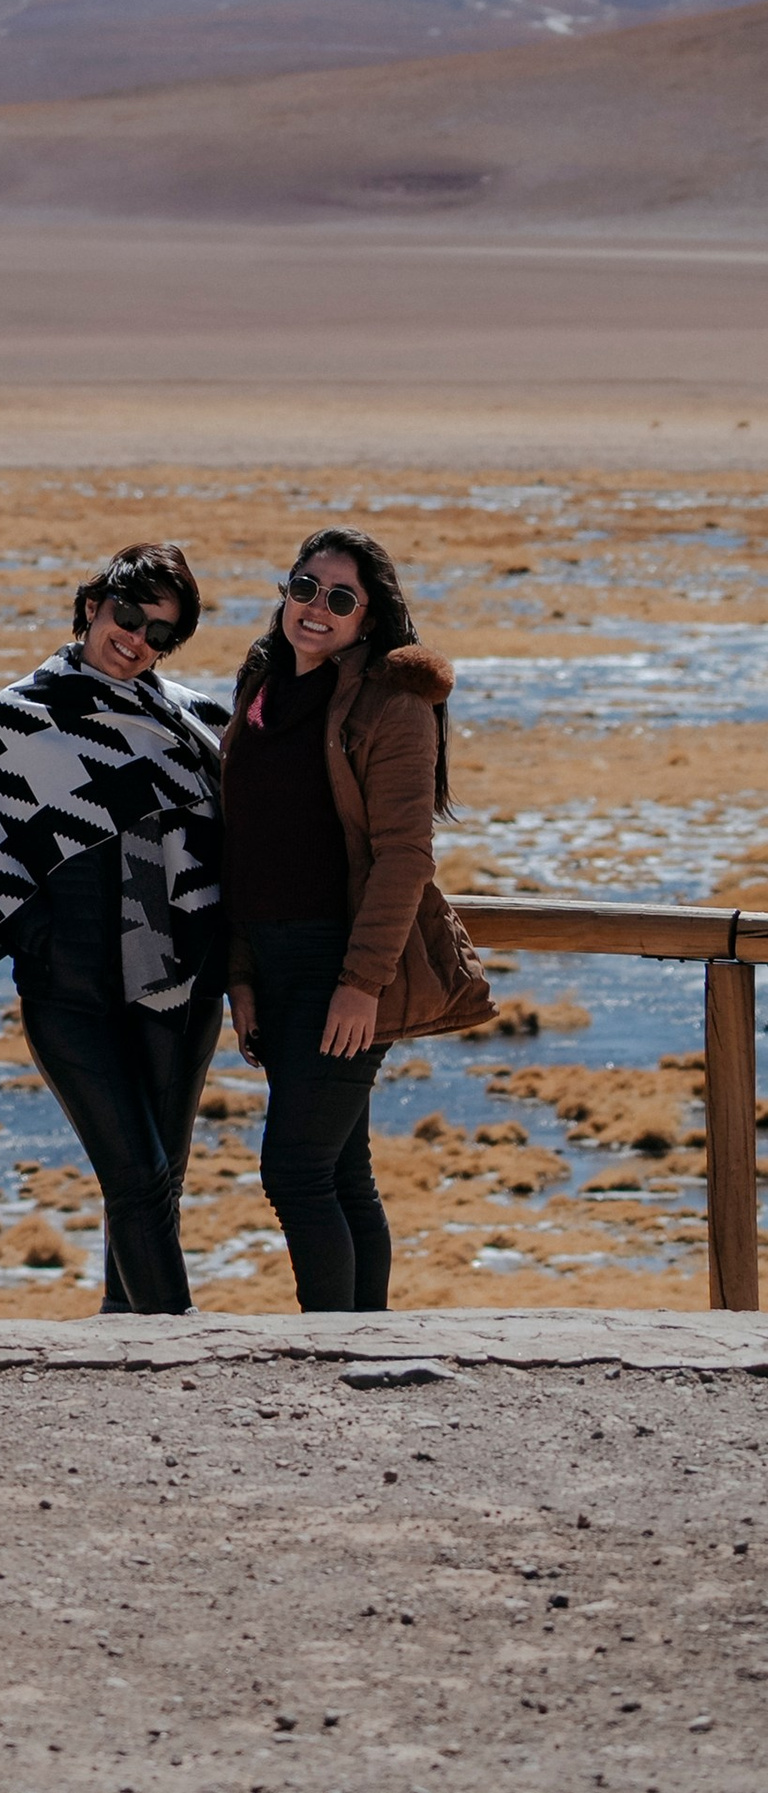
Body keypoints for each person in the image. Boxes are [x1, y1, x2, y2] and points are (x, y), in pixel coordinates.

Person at [0, 544, 227, 1316]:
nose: (135, 639)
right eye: (126, 616)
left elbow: (234, 849)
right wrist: (37, 941)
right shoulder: (19, 719)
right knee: (136, 1178)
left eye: (159, 634)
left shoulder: (196, 722)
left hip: (179, 989)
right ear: (89, 609)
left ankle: (125, 1334)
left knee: (158, 1186)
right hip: (69, 995)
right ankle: (183, 1348)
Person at [224, 525, 491, 1310]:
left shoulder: (392, 704)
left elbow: (406, 855)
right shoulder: (263, 683)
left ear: (368, 618)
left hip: (338, 967)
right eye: (304, 587)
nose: (316, 608)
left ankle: (329, 1350)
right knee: (341, 1170)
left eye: (340, 598)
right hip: (273, 964)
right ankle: (365, 1346)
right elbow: (242, 844)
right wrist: (239, 972)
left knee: (295, 1171)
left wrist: (361, 985)